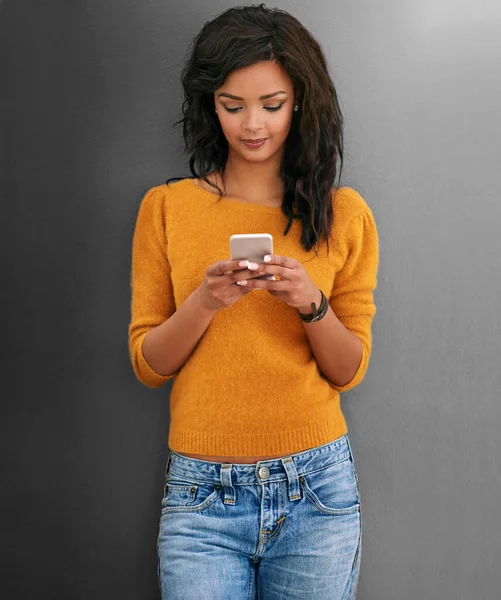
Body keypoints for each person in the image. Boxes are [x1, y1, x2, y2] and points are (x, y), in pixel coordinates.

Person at [128, 4, 379, 599]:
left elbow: (348, 370)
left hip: (316, 489)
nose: (252, 125)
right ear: (208, 104)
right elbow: (147, 364)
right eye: (231, 105)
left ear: (301, 102)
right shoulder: (166, 209)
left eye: (272, 104)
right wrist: (206, 302)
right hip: (201, 496)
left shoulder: (344, 214)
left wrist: (311, 303)